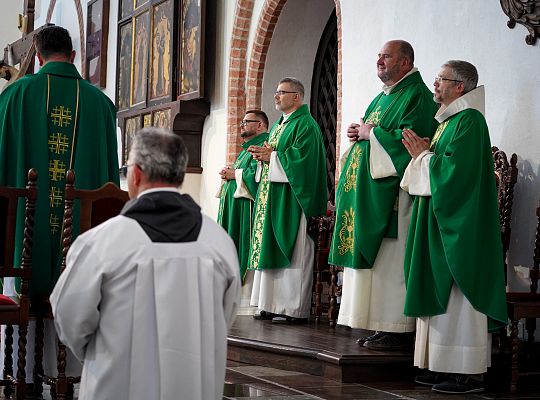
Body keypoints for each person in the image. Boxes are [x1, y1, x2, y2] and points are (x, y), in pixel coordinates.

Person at [50, 128, 241, 400]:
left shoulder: (102, 242)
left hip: (117, 384)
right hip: (194, 385)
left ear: (136, 173)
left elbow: (70, 316)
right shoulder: (218, 242)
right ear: (181, 174)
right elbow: (225, 316)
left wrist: (101, 354)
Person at [0, 25, 119, 381]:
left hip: (20, 242)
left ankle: (21, 376)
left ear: (37, 57)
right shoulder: (100, 104)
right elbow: (109, 182)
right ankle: (69, 375)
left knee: (21, 271)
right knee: (77, 275)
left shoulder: (14, 96)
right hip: (82, 247)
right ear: (74, 55)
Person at [400, 60, 507, 394]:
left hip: (463, 227)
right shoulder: (448, 122)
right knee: (439, 292)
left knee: (459, 293)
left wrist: (422, 157)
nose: (435, 84)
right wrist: (422, 155)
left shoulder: (470, 121)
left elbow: (457, 175)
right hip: (439, 220)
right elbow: (439, 169)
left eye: (440, 79)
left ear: (460, 86)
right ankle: (440, 363)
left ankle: (468, 371)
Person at [328, 40, 438, 349]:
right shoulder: (383, 97)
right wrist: (360, 132)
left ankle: (397, 328)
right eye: (378, 55)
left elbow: (411, 144)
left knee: (391, 261)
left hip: (395, 199)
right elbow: (373, 133)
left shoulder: (416, 96)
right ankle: (379, 324)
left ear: (404, 63)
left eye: (386, 56)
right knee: (376, 265)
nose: (379, 60)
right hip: (370, 195)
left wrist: (371, 134)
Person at [247, 77, 327, 323]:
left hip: (293, 200)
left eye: (282, 92)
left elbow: (304, 163)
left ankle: (293, 309)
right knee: (271, 247)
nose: (276, 96)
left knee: (294, 252)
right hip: (273, 197)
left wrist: (274, 157)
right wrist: (263, 157)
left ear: (297, 97)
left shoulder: (306, 125)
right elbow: (273, 156)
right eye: (277, 91)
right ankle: (270, 304)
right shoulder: (281, 126)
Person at [218, 109, 269, 283]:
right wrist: (228, 173)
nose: (242, 125)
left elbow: (258, 178)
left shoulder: (262, 146)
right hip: (235, 210)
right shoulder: (246, 150)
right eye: (242, 122)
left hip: (246, 212)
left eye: (247, 122)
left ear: (260, 125)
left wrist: (235, 175)